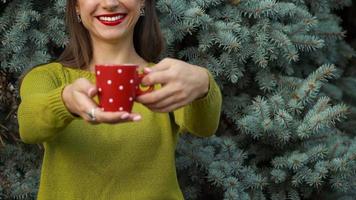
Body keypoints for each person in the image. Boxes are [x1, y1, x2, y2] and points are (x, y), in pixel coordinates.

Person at [17, 0, 222, 199]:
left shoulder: (164, 77)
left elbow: (203, 126)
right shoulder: (49, 78)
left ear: (143, 3)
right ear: (76, 6)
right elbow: (29, 125)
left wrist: (204, 84)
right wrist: (64, 102)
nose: (110, 3)